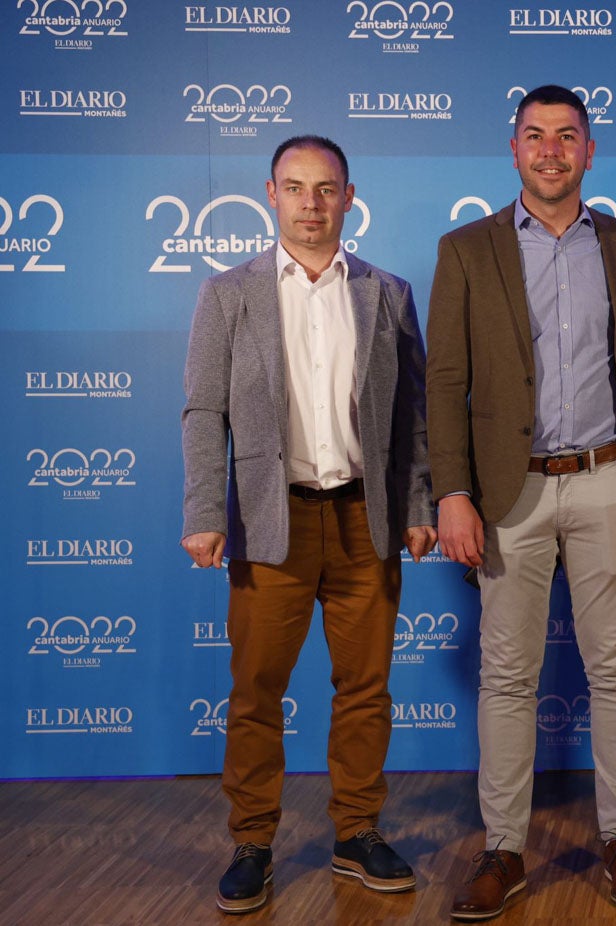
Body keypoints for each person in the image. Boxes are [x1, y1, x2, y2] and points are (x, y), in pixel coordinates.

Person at [180, 135, 437, 914]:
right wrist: (201, 511)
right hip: (269, 520)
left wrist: (421, 505)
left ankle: (357, 832)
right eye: (296, 188)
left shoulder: (386, 292)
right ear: (270, 194)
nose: (311, 204)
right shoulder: (229, 292)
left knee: (365, 688)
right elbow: (204, 410)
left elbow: (415, 416)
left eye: (326, 189)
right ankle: (253, 840)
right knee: (256, 690)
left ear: (349, 198)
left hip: (367, 520)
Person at [425, 85, 616, 920]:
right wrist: (451, 491)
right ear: (513, 148)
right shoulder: (465, 249)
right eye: (536, 136)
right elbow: (445, 382)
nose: (552, 150)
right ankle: (503, 848)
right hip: (505, 492)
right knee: (507, 675)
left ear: (589, 151)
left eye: (568, 137)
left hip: (606, 481)